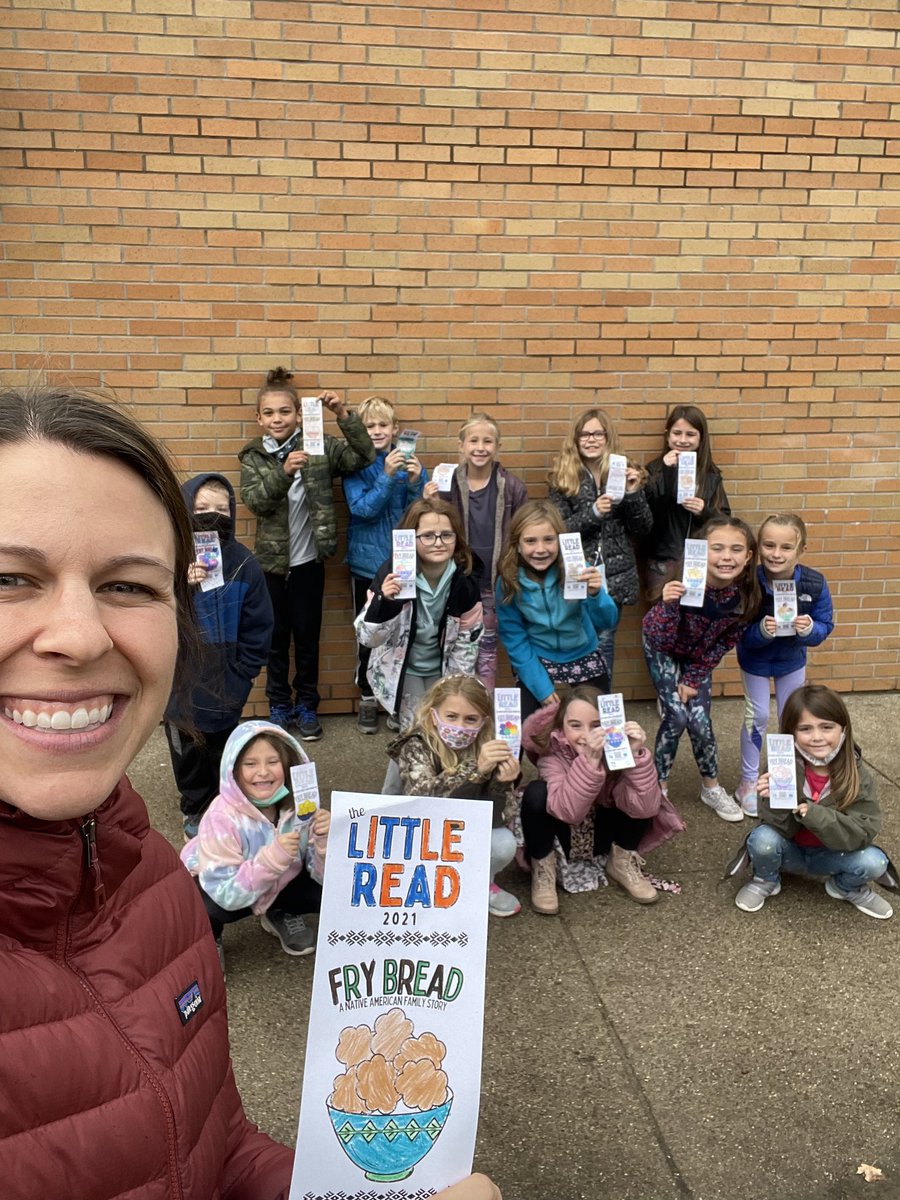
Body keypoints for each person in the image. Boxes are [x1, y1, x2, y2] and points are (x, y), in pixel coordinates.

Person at [0, 384, 502, 1200]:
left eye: (128, 585)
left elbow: (213, 1150)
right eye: (9, 577)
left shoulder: (160, 887)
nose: (79, 635)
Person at [239, 366, 375, 742]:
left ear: (298, 414)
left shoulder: (319, 444)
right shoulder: (254, 455)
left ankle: (307, 705)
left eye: (284, 412)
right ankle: (279, 705)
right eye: (269, 413)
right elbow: (255, 501)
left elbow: (363, 457)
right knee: (276, 640)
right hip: (272, 566)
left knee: (308, 637)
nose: (277, 419)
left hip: (310, 564)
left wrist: (344, 417)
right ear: (259, 419)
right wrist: (283, 472)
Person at [164, 473, 273, 840]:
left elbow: (259, 625)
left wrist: (244, 672)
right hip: (179, 684)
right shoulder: (171, 557)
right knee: (189, 756)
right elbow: (147, 613)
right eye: (202, 507)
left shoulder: (245, 564)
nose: (213, 514)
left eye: (221, 508)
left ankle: (226, 809)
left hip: (227, 682)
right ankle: (195, 812)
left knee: (223, 752)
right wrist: (179, 585)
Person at [520, 686, 684, 914]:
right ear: (561, 727)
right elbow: (567, 812)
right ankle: (544, 871)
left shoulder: (617, 750)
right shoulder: (552, 755)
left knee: (643, 789)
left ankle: (621, 862)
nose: (587, 735)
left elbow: (645, 808)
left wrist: (635, 757)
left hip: (603, 835)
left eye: (596, 726)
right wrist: (589, 764)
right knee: (536, 794)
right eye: (575, 725)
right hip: (563, 834)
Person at [735, 685, 892, 920]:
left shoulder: (857, 774)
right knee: (761, 839)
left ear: (843, 729)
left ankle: (846, 887)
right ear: (792, 732)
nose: (817, 737)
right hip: (791, 852)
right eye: (805, 729)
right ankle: (766, 880)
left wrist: (813, 813)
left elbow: (863, 832)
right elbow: (778, 828)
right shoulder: (782, 766)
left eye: (827, 727)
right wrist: (770, 801)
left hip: (834, 855)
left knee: (876, 861)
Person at [642, 515, 760, 823]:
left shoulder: (744, 596)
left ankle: (711, 786)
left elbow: (723, 643)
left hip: (699, 659)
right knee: (676, 716)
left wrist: (694, 677)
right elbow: (657, 637)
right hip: (663, 651)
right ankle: (659, 786)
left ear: (748, 557)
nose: (726, 557)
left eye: (736, 550)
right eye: (717, 548)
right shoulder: (683, 584)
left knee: (700, 722)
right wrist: (668, 605)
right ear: (700, 552)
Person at [182, 721, 330, 965]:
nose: (263, 772)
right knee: (204, 903)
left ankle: (280, 913)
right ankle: (208, 939)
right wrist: (272, 859)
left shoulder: (300, 808)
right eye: (250, 764)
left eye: (273, 762)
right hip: (227, 888)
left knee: (327, 892)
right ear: (233, 771)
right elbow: (225, 894)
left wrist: (323, 841)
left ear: (288, 765)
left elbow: (324, 877)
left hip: (276, 882)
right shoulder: (221, 816)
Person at [387, 676, 522, 917]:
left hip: (460, 827)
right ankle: (425, 883)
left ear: (484, 722)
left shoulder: (489, 746)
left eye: (471, 719)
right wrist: (475, 771)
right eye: (451, 716)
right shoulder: (416, 744)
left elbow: (502, 817)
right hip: (416, 828)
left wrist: (501, 785)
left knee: (503, 843)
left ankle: (480, 883)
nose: (461, 726)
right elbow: (422, 802)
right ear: (433, 715)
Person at [354, 497, 483, 735]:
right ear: (410, 539)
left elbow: (468, 640)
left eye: (446, 534)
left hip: (444, 668)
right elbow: (367, 638)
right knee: (415, 734)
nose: (438, 542)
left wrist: (456, 685)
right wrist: (386, 602)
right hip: (404, 669)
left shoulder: (465, 580)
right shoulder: (391, 573)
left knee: (442, 732)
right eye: (427, 535)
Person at [734, 513, 834, 816]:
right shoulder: (747, 580)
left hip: (791, 660)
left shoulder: (814, 583)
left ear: (800, 549)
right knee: (758, 717)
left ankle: (786, 780)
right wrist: (761, 632)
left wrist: (809, 630)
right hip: (756, 660)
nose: (776, 554)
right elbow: (737, 629)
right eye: (769, 545)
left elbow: (825, 624)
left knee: (791, 719)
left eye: (786, 547)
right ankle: (748, 783)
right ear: (758, 547)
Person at [343, 394, 427, 734]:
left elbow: (417, 514)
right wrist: (387, 477)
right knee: (370, 632)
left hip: (405, 562)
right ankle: (366, 696)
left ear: (395, 430)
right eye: (369, 425)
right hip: (367, 564)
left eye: (383, 425)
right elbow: (361, 509)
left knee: (404, 635)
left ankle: (395, 702)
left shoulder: (407, 461)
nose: (377, 431)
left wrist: (415, 482)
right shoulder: (355, 464)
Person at [426, 412, 528, 692]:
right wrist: (432, 503)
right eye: (473, 440)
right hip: (457, 581)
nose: (480, 447)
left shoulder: (513, 488)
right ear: (461, 445)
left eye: (488, 441)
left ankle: (484, 709)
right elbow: (433, 528)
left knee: (487, 648)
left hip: (494, 583)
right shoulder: (446, 483)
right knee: (453, 646)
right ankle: (455, 707)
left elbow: (522, 535)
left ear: (497, 446)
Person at [548, 407, 651, 682]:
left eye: (597, 433)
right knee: (577, 642)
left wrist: (632, 494)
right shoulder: (563, 475)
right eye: (584, 434)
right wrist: (592, 513)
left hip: (614, 577)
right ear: (575, 439)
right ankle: (579, 708)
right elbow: (558, 529)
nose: (591, 439)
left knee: (605, 641)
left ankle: (599, 709)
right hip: (577, 572)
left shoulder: (624, 471)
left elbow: (643, 528)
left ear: (608, 437)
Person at [495, 500, 618, 723]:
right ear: (518, 544)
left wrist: (596, 595)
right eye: (530, 541)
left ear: (560, 541)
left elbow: (608, 621)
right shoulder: (508, 581)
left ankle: (598, 758)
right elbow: (514, 637)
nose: (540, 549)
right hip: (538, 656)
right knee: (518, 727)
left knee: (604, 723)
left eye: (549, 540)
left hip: (582, 651)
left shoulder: (578, 569)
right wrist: (540, 687)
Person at [642, 404, 730, 600]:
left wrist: (704, 512)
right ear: (667, 435)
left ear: (701, 438)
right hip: (663, 559)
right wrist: (666, 473)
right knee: (662, 618)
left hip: (700, 559)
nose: (682, 440)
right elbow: (646, 516)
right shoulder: (654, 469)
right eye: (677, 433)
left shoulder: (709, 474)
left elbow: (726, 521)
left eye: (690, 434)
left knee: (694, 619)